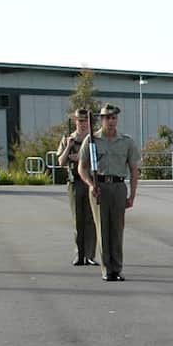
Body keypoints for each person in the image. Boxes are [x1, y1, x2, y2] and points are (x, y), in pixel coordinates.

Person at [77, 103, 140, 281]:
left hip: (119, 187)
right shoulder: (91, 141)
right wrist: (90, 184)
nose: (111, 121)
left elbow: (134, 170)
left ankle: (117, 269)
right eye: (107, 118)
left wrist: (132, 195)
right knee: (103, 229)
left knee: (117, 229)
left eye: (114, 118)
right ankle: (106, 269)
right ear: (101, 120)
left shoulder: (126, 141)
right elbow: (82, 167)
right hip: (99, 187)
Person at [56, 107, 96, 265]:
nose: (83, 124)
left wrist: (79, 157)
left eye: (86, 121)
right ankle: (79, 254)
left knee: (91, 220)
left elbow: (97, 159)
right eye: (80, 121)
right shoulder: (68, 138)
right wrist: (68, 147)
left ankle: (90, 255)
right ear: (75, 121)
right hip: (75, 183)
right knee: (78, 221)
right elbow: (61, 161)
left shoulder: (94, 138)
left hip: (91, 181)